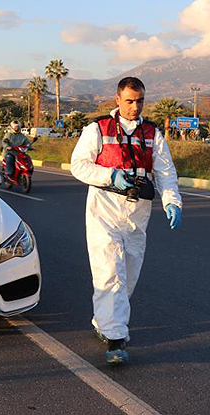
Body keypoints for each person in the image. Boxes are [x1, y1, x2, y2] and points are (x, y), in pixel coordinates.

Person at [70, 77, 182, 365]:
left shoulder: (152, 133)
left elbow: (166, 171)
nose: (135, 106)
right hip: (104, 207)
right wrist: (111, 176)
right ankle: (116, 340)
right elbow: (79, 165)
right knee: (110, 272)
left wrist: (172, 202)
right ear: (117, 99)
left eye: (140, 100)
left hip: (137, 210)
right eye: (129, 100)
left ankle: (104, 321)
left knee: (129, 274)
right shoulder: (97, 129)